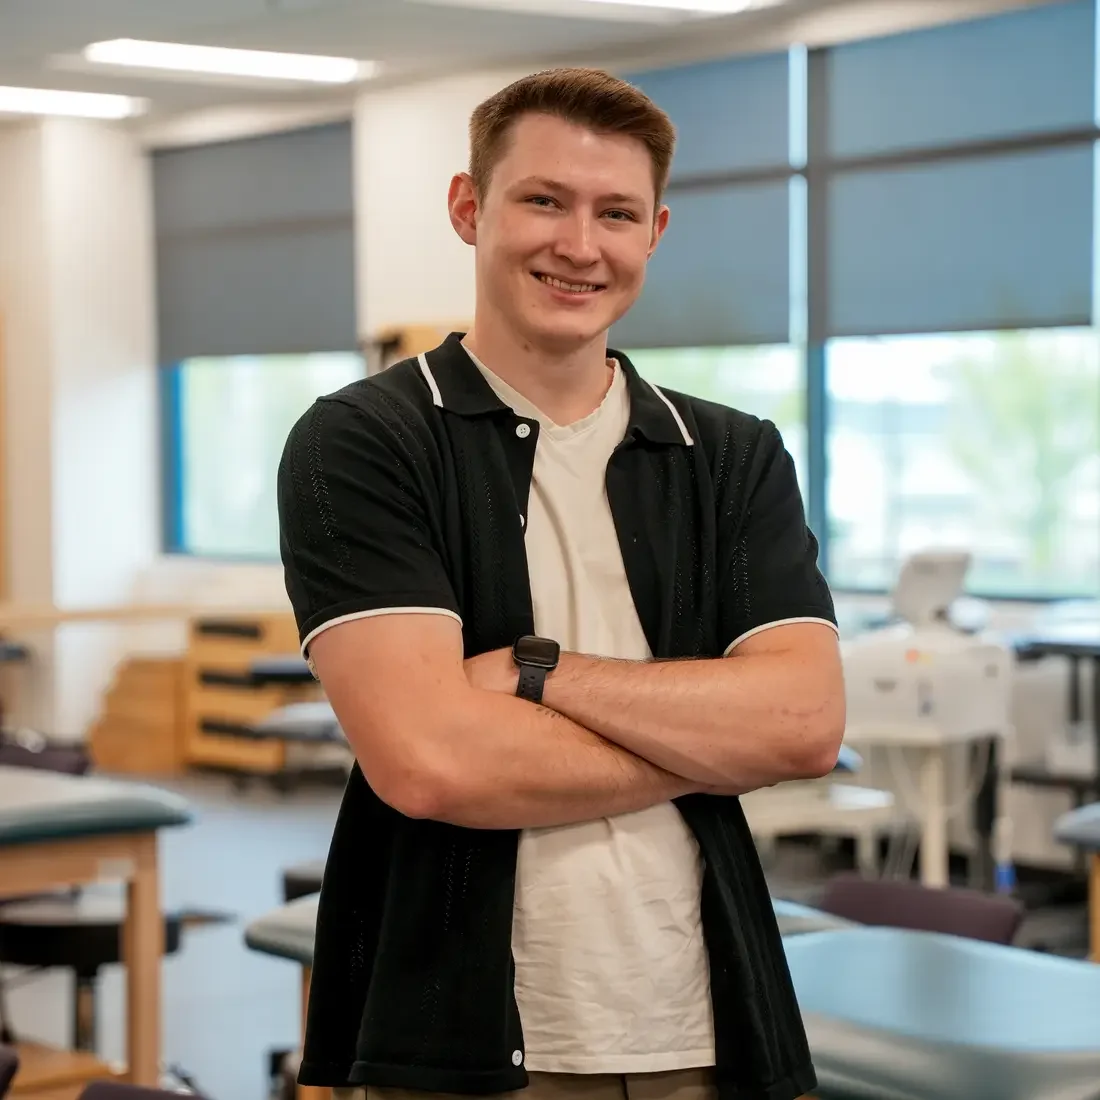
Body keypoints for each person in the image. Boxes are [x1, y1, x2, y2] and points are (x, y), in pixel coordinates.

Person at [277, 67, 845, 1100]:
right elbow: (430, 762)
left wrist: (539, 672)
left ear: (654, 230)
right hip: (456, 1039)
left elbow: (802, 722)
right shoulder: (363, 442)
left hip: (703, 1024)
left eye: (615, 213)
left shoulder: (727, 456)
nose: (579, 245)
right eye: (543, 199)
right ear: (468, 207)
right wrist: (709, 746)